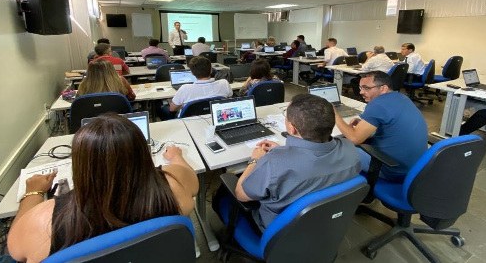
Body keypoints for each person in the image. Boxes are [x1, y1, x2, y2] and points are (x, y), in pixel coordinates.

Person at [7, 114, 199, 262]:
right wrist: (175, 157)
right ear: (143, 153)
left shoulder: (47, 220)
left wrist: (33, 192)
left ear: (81, 165)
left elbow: (15, 250)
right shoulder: (174, 186)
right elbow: (193, 181)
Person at [213, 94, 363, 231]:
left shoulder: (274, 163)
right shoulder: (351, 150)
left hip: (279, 233)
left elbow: (240, 194)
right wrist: (285, 151)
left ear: (292, 128)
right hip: (325, 223)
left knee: (222, 194)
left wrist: (255, 160)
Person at [335, 71, 428, 182]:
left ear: (383, 88)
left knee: (337, 148)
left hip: (393, 170)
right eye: (360, 88)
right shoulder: (402, 97)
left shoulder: (378, 104)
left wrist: (334, 114)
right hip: (416, 167)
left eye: (366, 88)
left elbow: (355, 139)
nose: (361, 92)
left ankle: (345, 189)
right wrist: (367, 122)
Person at [161, 56, 233, 120]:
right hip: (215, 117)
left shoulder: (185, 88)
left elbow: (172, 109)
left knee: (163, 107)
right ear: (211, 70)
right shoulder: (224, 83)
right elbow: (229, 97)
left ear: (191, 73)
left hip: (190, 121)